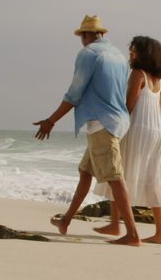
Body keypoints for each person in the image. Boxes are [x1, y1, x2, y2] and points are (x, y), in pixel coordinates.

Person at [33, 14, 141, 246]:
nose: (81, 39)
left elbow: (74, 93)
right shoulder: (119, 57)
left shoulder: (89, 54)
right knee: (85, 171)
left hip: (101, 123)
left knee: (114, 177)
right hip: (118, 121)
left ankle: (132, 234)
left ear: (87, 35)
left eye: (82, 35)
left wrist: (51, 120)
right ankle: (66, 221)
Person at [93, 36, 161, 244]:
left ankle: (119, 226)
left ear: (144, 54)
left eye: (134, 50)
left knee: (119, 174)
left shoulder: (138, 74)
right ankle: (160, 232)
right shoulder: (159, 80)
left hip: (137, 130)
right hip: (159, 132)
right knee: (154, 180)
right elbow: (158, 108)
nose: (130, 53)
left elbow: (128, 107)